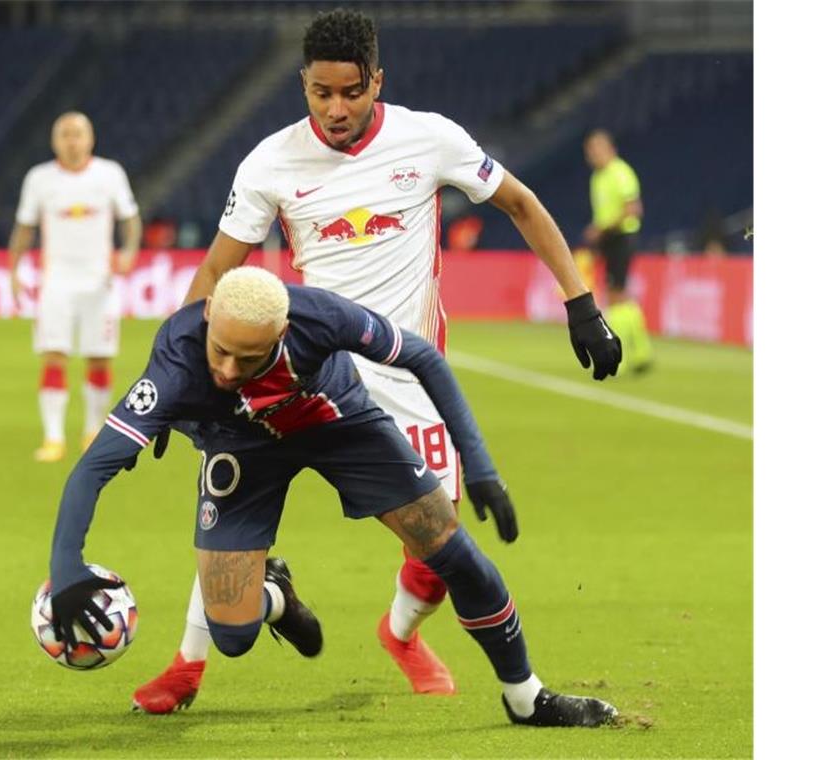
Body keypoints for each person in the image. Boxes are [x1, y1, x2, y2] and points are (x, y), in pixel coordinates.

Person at [134, 8, 622, 713]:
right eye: (320, 93)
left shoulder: (429, 139)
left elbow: (519, 202)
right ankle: (187, 668)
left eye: (350, 93)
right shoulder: (271, 161)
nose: (335, 109)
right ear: (303, 85)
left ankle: (401, 636)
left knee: (437, 550)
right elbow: (216, 274)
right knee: (234, 503)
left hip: (409, 377)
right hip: (303, 373)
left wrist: (580, 303)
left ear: (377, 82)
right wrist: (172, 376)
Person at [46, 267, 618, 728]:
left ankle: (526, 698)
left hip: (339, 424)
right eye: (218, 350)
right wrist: (66, 566)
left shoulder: (320, 317)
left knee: (453, 552)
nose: (224, 369)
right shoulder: (177, 356)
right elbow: (95, 465)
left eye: (245, 359)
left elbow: (423, 357)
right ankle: (277, 594)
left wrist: (482, 466)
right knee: (234, 635)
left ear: (281, 332)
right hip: (241, 448)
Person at [8, 112, 143, 462]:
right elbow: (24, 228)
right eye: (65, 134)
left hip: (100, 282)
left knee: (99, 358)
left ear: (91, 138)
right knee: (54, 355)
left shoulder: (109, 175)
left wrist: (128, 252)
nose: (72, 140)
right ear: (55, 141)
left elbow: (130, 220)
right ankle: (53, 437)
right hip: (56, 282)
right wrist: (13, 270)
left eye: (78, 133)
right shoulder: (39, 179)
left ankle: (93, 430)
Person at [583, 129, 654, 373]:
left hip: (623, 236)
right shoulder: (597, 178)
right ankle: (641, 350)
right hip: (610, 239)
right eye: (589, 151)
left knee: (616, 294)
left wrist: (601, 228)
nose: (592, 155)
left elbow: (633, 208)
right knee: (619, 293)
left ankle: (622, 356)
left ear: (609, 149)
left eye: (596, 149)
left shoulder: (620, 172)